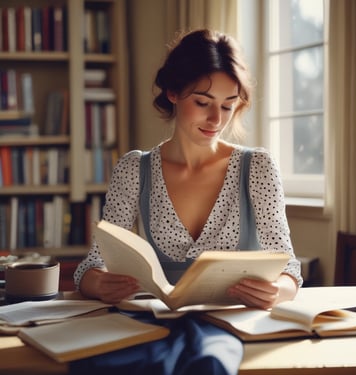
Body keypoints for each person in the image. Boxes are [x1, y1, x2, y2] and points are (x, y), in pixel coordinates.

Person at [71, 29, 302, 375]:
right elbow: (92, 263)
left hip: (233, 326)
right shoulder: (135, 168)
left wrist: (278, 290)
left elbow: (290, 269)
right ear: (174, 92)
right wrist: (97, 281)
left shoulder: (258, 167)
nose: (217, 120)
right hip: (153, 324)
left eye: (228, 105)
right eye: (203, 102)